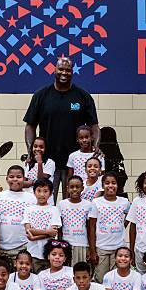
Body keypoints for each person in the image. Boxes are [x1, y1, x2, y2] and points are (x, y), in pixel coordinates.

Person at [24, 57, 99, 203]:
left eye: (68, 70)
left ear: (72, 72)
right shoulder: (41, 95)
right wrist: (30, 151)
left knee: (72, 202)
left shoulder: (83, 96)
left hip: (74, 163)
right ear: (54, 70)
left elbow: (94, 126)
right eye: (61, 69)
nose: (64, 73)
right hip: (48, 162)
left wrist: (95, 146)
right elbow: (30, 125)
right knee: (45, 201)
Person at [0, 165, 37, 265]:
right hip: (0, 248)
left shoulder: (32, 198)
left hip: (23, 247)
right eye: (11, 177)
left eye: (19, 177)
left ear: (24, 179)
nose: (15, 179)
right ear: (6, 179)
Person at [90, 172, 131, 283]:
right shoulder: (96, 202)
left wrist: (123, 225)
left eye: (113, 183)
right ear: (102, 186)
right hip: (101, 247)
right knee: (101, 278)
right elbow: (92, 226)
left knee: (116, 279)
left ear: (118, 185)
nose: (110, 186)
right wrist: (93, 251)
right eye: (107, 183)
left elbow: (130, 215)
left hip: (118, 247)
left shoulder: (124, 202)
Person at [22, 178, 62, 273]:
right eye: (39, 191)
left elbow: (54, 232)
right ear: (34, 192)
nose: (42, 194)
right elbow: (29, 230)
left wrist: (34, 237)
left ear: (51, 193)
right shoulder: (29, 209)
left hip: (50, 253)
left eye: (45, 191)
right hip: (33, 253)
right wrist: (48, 232)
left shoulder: (54, 210)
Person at [58, 176, 94, 265]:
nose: (74, 189)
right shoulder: (61, 204)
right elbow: (59, 228)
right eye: (72, 187)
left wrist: (91, 249)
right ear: (67, 188)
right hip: (66, 244)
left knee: (81, 272)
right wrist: (59, 245)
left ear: (82, 188)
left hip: (82, 244)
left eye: (77, 187)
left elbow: (90, 228)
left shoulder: (88, 205)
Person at [23, 136, 55, 205]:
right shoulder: (29, 163)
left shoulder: (50, 162)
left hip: (44, 199)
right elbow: (23, 183)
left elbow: (41, 180)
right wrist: (33, 182)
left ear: (46, 149)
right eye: (35, 146)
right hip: (30, 198)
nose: (38, 149)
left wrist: (39, 163)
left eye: (41, 147)